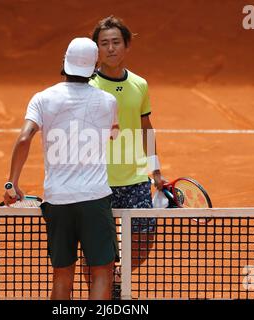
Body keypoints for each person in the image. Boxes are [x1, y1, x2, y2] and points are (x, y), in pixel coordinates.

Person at [4, 37, 119, 300]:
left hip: (58, 200)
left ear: (64, 63)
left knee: (62, 274)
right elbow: (114, 135)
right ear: (94, 67)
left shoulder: (42, 99)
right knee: (102, 272)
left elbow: (24, 139)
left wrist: (11, 185)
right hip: (94, 199)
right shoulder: (108, 101)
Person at [89, 15, 164, 298]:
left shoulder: (140, 85)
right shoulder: (88, 86)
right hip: (97, 181)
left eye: (116, 42)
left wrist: (155, 168)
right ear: (96, 49)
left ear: (126, 46)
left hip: (134, 178)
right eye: (104, 43)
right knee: (95, 251)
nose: (110, 48)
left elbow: (146, 128)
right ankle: (101, 295)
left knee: (144, 240)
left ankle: (116, 277)